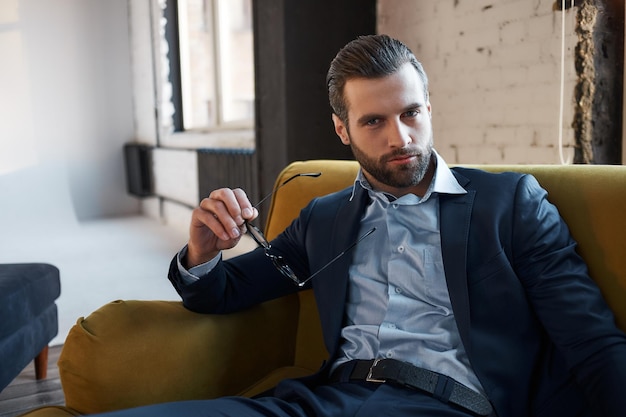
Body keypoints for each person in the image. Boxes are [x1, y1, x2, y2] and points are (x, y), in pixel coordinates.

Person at [99, 34, 626, 416]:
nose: (400, 137)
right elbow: (222, 293)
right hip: (319, 400)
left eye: (411, 113)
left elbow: (592, 342)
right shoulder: (323, 218)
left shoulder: (509, 204)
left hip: (448, 402)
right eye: (373, 121)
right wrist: (202, 252)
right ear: (342, 130)